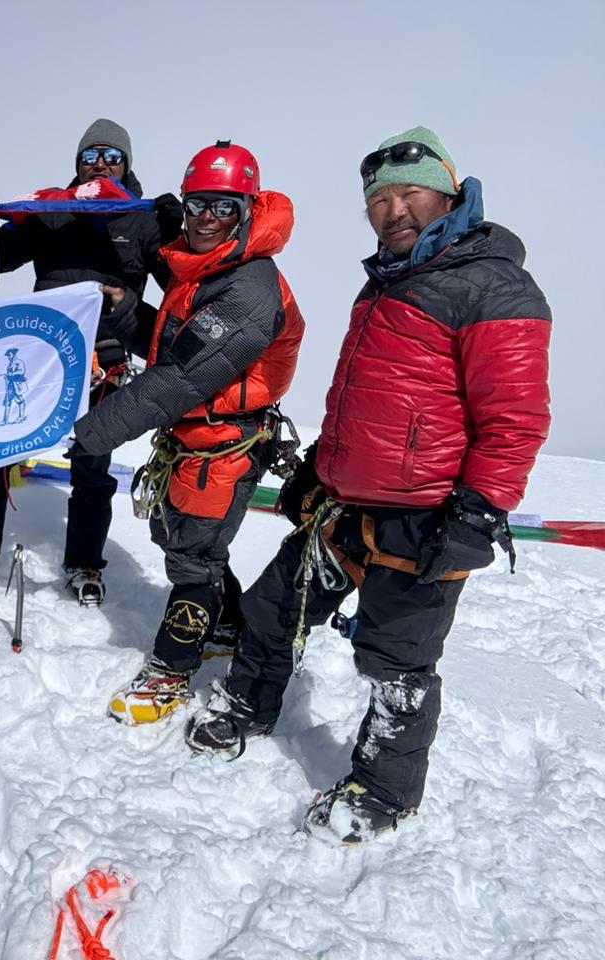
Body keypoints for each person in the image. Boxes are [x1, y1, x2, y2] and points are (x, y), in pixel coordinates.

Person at [183, 126, 552, 843]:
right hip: (348, 502)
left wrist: (478, 511)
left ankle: (382, 793)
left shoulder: (494, 283)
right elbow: (365, 396)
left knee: (396, 661)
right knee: (273, 604)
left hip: (427, 517)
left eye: (408, 193)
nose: (392, 210)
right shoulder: (384, 279)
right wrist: (323, 466)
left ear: (447, 191)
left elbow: (515, 419)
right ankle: (249, 706)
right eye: (379, 199)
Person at [73, 141, 305, 726]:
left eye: (223, 207)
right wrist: (128, 308)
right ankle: (227, 622)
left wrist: (93, 431)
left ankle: (172, 669)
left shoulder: (249, 289)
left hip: (223, 444)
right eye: (198, 203)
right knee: (178, 537)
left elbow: (180, 378)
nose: (206, 217)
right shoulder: (207, 270)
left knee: (193, 560)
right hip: (193, 442)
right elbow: (181, 346)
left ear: (247, 211)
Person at [0, 118, 173, 603]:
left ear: (127, 164)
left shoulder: (143, 221)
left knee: (92, 471)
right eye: (90, 156)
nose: (100, 164)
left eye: (111, 157)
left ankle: (84, 565)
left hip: (105, 364)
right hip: (40, 361)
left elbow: (181, 290)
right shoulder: (52, 212)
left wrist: (175, 232)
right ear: (77, 164)